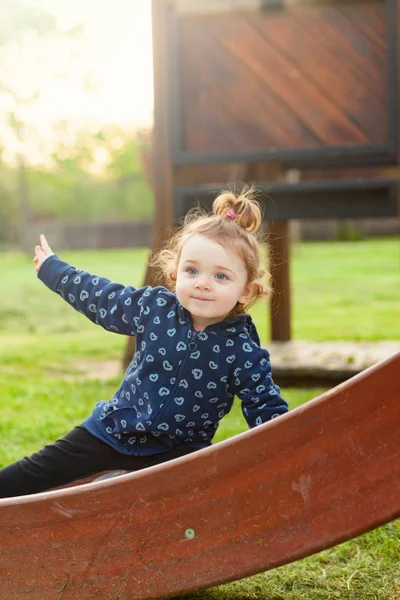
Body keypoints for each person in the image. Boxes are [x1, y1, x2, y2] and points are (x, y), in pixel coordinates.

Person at [0, 187, 288, 498]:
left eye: (221, 277)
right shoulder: (155, 308)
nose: (202, 283)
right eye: (192, 270)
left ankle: (113, 491)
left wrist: (292, 449)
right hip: (112, 431)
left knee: (184, 504)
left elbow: (265, 406)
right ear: (176, 274)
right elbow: (103, 298)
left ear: (246, 290)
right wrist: (55, 270)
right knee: (36, 471)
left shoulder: (242, 349)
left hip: (178, 453)